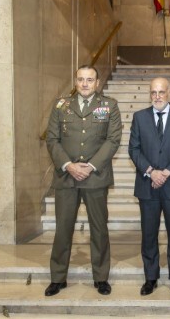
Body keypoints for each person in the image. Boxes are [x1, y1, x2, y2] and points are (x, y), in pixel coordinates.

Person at [44, 65, 122, 297]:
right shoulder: (61, 105)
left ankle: (101, 277)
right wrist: (69, 165)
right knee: (63, 229)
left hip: (95, 177)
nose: (85, 84)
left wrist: (90, 166)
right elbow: (52, 139)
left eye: (89, 80)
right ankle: (58, 278)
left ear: (97, 83)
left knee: (99, 229)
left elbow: (113, 139)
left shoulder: (109, 105)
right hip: (66, 177)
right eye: (81, 79)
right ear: (75, 82)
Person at [128, 77, 170, 296]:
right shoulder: (139, 117)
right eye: (153, 92)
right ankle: (150, 278)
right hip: (147, 185)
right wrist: (151, 171)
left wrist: (165, 172)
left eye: (161, 92)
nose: (157, 96)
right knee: (149, 235)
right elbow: (134, 149)